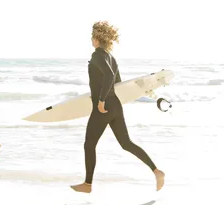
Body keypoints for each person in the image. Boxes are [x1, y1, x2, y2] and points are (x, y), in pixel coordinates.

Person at [70, 21, 165, 193]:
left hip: (103, 106)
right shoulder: (111, 57)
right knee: (126, 143)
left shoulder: (97, 55)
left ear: (98, 38)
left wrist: (100, 100)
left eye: (93, 36)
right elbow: (119, 84)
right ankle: (157, 171)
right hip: (115, 105)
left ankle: (87, 184)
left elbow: (108, 75)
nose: (91, 39)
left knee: (89, 144)